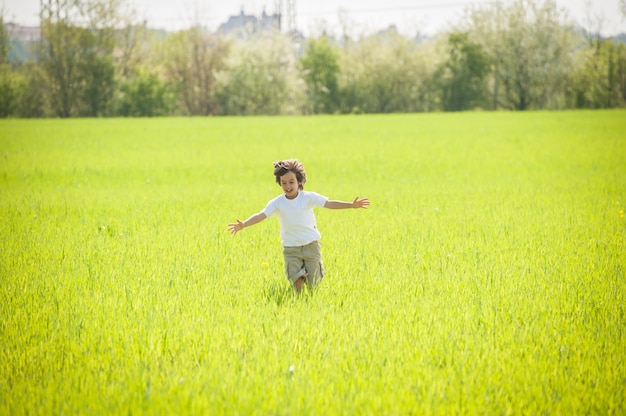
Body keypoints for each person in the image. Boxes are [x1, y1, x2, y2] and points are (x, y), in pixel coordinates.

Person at [228, 159, 370, 293]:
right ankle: (297, 300)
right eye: (284, 183)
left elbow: (329, 203)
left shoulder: (308, 197)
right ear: (279, 183)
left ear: (299, 181)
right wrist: (244, 224)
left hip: (311, 246)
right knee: (296, 281)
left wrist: (351, 205)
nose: (288, 186)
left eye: (291, 182)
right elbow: (261, 215)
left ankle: (309, 299)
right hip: (291, 249)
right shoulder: (277, 203)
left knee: (314, 283)